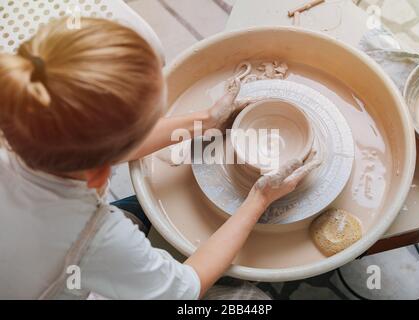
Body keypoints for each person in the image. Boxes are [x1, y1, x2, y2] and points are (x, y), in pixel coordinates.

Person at [0, 17, 319, 299]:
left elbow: (92, 143)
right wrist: (259, 198)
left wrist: (206, 120)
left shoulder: (21, 115)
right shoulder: (96, 239)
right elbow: (186, 288)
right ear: (103, 171)